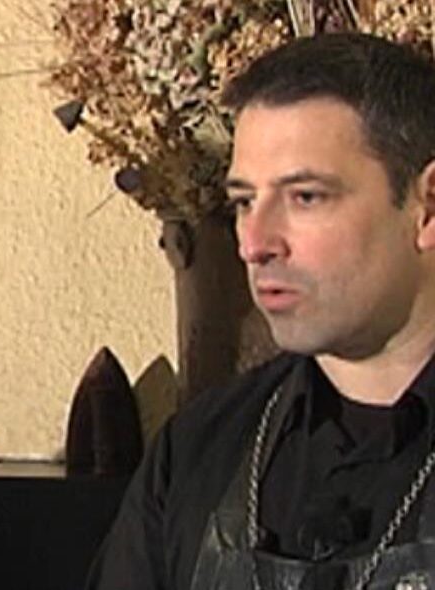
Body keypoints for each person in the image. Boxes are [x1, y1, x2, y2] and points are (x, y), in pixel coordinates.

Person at [87, 32, 435, 590]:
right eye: (245, 202)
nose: (255, 243)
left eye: (305, 197)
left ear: (427, 207)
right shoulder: (199, 450)